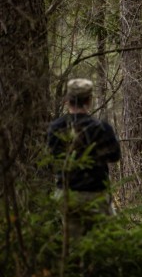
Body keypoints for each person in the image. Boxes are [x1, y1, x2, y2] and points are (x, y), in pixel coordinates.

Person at [47, 79, 121, 238]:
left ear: (67, 100)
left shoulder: (56, 127)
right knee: (105, 239)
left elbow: (52, 159)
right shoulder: (101, 128)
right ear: (89, 100)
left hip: (67, 193)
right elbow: (115, 156)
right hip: (96, 193)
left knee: (73, 242)